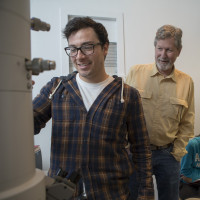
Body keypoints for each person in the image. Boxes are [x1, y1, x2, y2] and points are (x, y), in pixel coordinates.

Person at [33, 17, 154, 200]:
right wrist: (13, 98)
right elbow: (27, 124)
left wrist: (145, 195)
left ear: (105, 48)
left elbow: (142, 151)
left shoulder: (127, 95)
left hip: (111, 194)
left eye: (87, 47)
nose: (79, 56)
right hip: (62, 195)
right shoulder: (57, 88)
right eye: (73, 49)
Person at [126, 24, 195, 200]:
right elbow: (121, 112)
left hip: (168, 155)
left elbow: (188, 122)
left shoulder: (187, 82)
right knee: (134, 197)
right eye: (160, 49)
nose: (163, 55)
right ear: (155, 47)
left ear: (179, 51)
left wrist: (177, 152)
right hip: (137, 152)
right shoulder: (135, 72)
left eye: (169, 50)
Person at [179, 135, 200, 200]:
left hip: (192, 179)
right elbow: (186, 172)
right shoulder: (192, 145)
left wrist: (192, 175)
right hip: (186, 183)